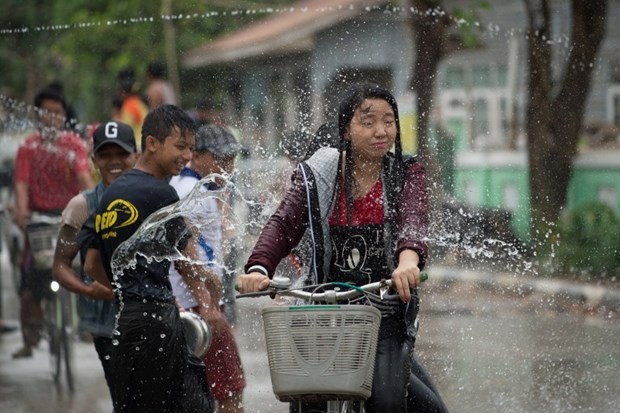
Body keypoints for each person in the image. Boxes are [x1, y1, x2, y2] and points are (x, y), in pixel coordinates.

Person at [236, 83, 449, 413]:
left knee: (388, 401)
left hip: (386, 312)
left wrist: (408, 262)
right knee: (308, 402)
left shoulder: (406, 172)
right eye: (368, 122)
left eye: (389, 121)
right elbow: (283, 223)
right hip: (324, 310)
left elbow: (413, 222)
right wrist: (258, 268)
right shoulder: (321, 173)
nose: (381, 130)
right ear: (346, 130)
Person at [83, 105, 219, 413]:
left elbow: (90, 265)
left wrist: (125, 290)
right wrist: (208, 305)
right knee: (191, 405)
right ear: (152, 144)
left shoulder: (109, 194)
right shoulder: (161, 194)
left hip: (125, 322)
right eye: (180, 146)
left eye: (191, 149)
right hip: (158, 321)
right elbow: (186, 262)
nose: (186, 156)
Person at [52, 120, 138, 405]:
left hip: (152, 315)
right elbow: (61, 265)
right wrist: (89, 290)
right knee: (124, 398)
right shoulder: (82, 206)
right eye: (105, 155)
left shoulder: (152, 196)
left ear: (136, 156)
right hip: (106, 323)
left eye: (122, 154)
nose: (114, 162)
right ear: (94, 160)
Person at [168, 124, 246, 413]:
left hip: (197, 304)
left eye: (232, 159)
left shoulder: (197, 188)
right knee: (229, 391)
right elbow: (184, 256)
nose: (228, 166)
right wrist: (208, 306)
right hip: (198, 308)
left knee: (203, 390)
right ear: (197, 156)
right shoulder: (190, 192)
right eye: (221, 158)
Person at [12, 87, 94, 359]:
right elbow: (22, 186)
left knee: (90, 265)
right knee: (28, 282)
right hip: (37, 222)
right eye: (46, 113)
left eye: (57, 113)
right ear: (38, 116)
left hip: (70, 218)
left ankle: (89, 323)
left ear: (63, 116)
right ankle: (30, 338)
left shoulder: (73, 146)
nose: (51, 118)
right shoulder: (27, 148)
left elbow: (84, 180)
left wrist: (95, 206)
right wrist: (22, 213)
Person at [117, 67, 148, 151]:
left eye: (120, 91)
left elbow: (125, 129)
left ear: (125, 92)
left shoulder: (128, 105)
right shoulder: (140, 103)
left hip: (136, 145)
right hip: (145, 143)